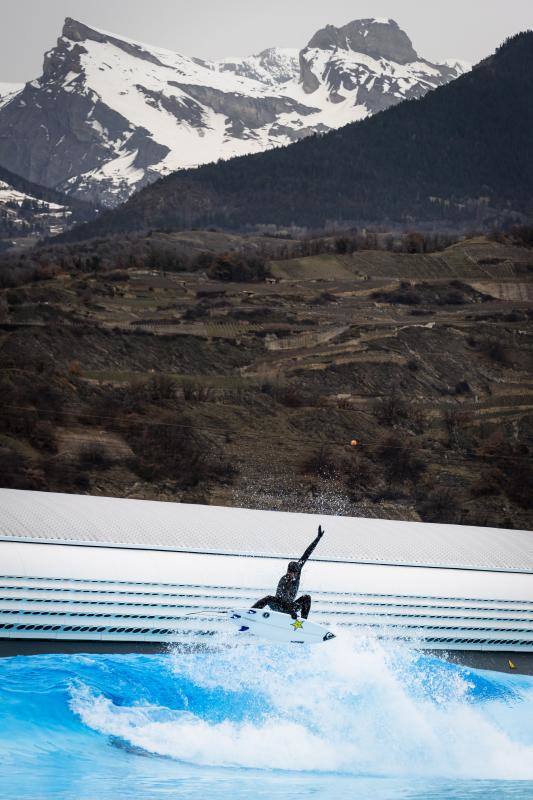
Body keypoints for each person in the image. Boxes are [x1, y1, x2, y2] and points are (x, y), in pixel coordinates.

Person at [252, 526, 324, 619]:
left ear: (297, 572)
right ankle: (251, 612)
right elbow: (282, 601)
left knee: (306, 598)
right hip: (278, 606)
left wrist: (318, 538)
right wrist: (291, 612)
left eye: (293, 572)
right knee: (268, 598)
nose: (291, 574)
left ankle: (303, 622)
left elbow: (306, 554)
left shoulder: (298, 572)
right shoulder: (284, 580)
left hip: (290, 607)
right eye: (289, 571)